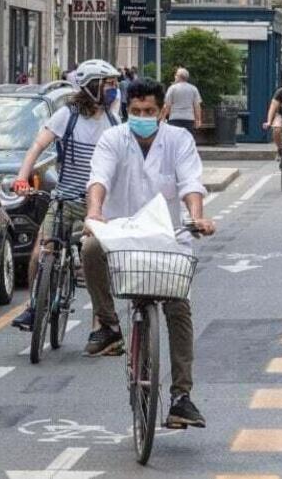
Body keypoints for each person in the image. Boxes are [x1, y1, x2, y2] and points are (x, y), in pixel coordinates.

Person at [81, 78, 216, 428]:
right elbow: (99, 179)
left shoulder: (178, 140)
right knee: (90, 246)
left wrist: (197, 217)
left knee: (179, 308)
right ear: (127, 110)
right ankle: (109, 326)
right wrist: (94, 213)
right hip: (122, 237)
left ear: (163, 111)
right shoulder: (113, 139)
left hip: (166, 239)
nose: (143, 116)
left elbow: (190, 183)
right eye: (136, 111)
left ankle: (181, 397)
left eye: (150, 111)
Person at [9, 59, 121, 331]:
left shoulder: (113, 120)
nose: (114, 90)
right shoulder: (67, 115)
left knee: (94, 261)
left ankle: (100, 323)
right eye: (108, 84)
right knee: (39, 253)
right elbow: (38, 145)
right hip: (64, 199)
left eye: (114, 84)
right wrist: (22, 177)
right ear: (92, 86)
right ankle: (35, 305)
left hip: (96, 206)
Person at [162, 68, 203, 135]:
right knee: (187, 140)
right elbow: (197, 106)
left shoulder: (172, 88)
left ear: (179, 77)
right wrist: (198, 120)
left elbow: (167, 105)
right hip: (189, 119)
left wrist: (163, 117)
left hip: (174, 118)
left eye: (176, 75)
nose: (175, 76)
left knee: (174, 140)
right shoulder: (193, 88)